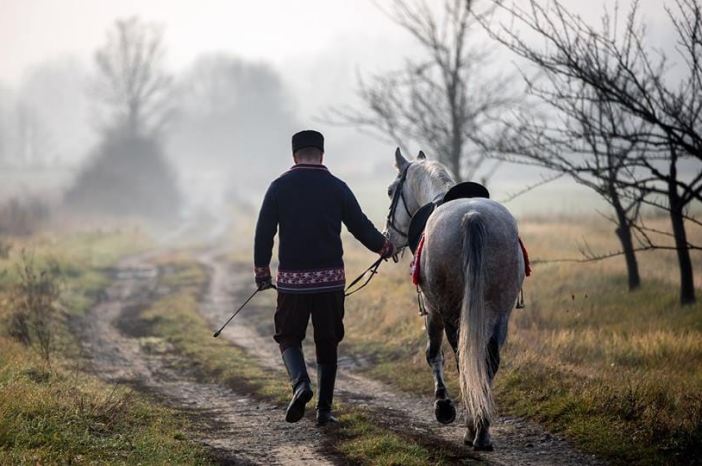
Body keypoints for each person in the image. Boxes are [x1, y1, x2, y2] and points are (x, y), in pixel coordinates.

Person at [254, 130, 394, 426]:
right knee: (327, 339)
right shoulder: (337, 187)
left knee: (288, 335)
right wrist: (383, 246)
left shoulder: (279, 187)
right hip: (331, 281)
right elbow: (360, 225)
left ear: (294, 155)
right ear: (322, 154)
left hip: (293, 282)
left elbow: (264, 231)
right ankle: (324, 412)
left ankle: (301, 385)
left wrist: (262, 271)